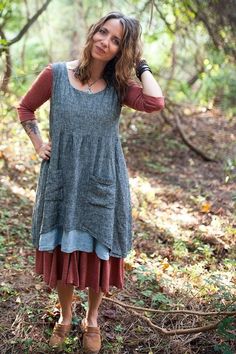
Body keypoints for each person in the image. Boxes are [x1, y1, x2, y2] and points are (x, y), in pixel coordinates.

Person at [17, 11, 164, 353]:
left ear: (120, 51)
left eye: (116, 40)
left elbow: (155, 102)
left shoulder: (119, 86)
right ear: (92, 31)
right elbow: (26, 109)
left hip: (102, 178)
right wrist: (39, 143)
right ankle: (66, 316)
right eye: (103, 32)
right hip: (63, 178)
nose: (105, 42)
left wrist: (140, 65)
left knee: (99, 252)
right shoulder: (55, 74)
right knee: (62, 247)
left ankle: (92, 320)